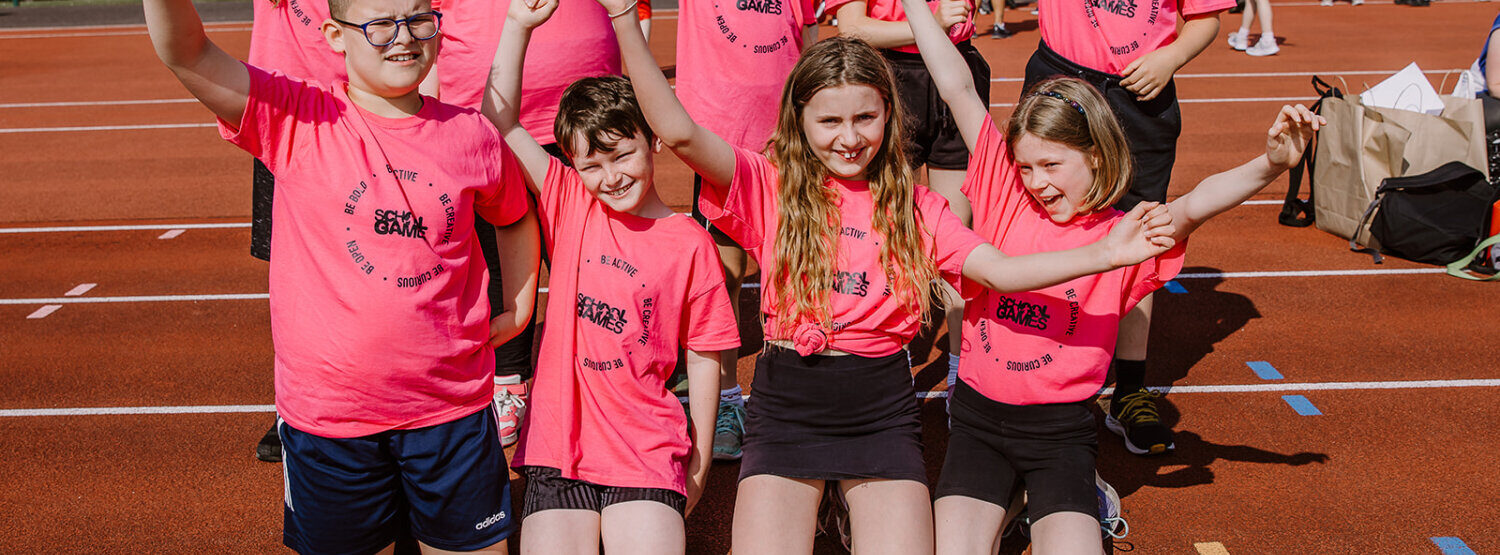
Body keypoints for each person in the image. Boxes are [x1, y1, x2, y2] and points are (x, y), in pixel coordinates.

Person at [601, 6, 1179, 549]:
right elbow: (678, 133)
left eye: (865, 117)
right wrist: (626, 17)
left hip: (880, 409)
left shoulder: (919, 207)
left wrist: (1107, 253)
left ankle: (853, 505)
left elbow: (1000, 272)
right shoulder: (769, 184)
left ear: (888, 113)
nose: (849, 138)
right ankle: (836, 505)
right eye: (828, 120)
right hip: (787, 406)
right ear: (799, 121)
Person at [902, 2, 1323, 551]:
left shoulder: (1126, 233)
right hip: (978, 425)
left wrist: (1269, 164)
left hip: (1061, 437)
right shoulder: (1007, 195)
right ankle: (1014, 499)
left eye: (1053, 166)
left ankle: (1070, 496)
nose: (1037, 182)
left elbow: (1196, 204)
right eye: (1026, 166)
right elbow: (955, 83)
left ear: (1096, 158)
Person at [143, 0, 542, 551]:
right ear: (334, 35)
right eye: (379, 24)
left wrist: (520, 307)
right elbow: (185, 53)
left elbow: (515, 216)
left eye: (418, 19)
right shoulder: (296, 117)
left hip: (452, 410)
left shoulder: (471, 133)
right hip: (330, 421)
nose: (403, 37)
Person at [481, 1, 739, 552]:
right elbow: (498, 118)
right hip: (557, 447)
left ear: (655, 142)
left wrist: (700, 455)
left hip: (646, 450)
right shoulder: (568, 198)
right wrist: (517, 25)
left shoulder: (690, 241)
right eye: (590, 165)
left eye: (621, 156)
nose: (608, 177)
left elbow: (705, 351)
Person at [1023, 0, 1233, 456]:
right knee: (1042, 219)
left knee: (1142, 235)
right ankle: (1037, 369)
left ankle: (1130, 390)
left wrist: (1170, 57)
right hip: (1061, 81)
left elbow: (1206, 19)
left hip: (1142, 94)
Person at [426, 0, 622, 447]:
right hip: (477, 112)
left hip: (586, 113)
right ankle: (509, 381)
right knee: (495, 259)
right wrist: (432, 119)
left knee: (598, 260)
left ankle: (609, 377)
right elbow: (429, 22)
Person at [674, 0, 819, 461]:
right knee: (722, 276)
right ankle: (725, 402)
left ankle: (808, 386)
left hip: (790, 139)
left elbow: (809, 38)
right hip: (718, 141)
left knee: (801, 265)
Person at [831, 0, 987, 404]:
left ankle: (959, 372)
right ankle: (887, 359)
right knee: (886, 227)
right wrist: (929, 25)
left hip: (957, 68)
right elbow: (851, 27)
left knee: (956, 234)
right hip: (893, 74)